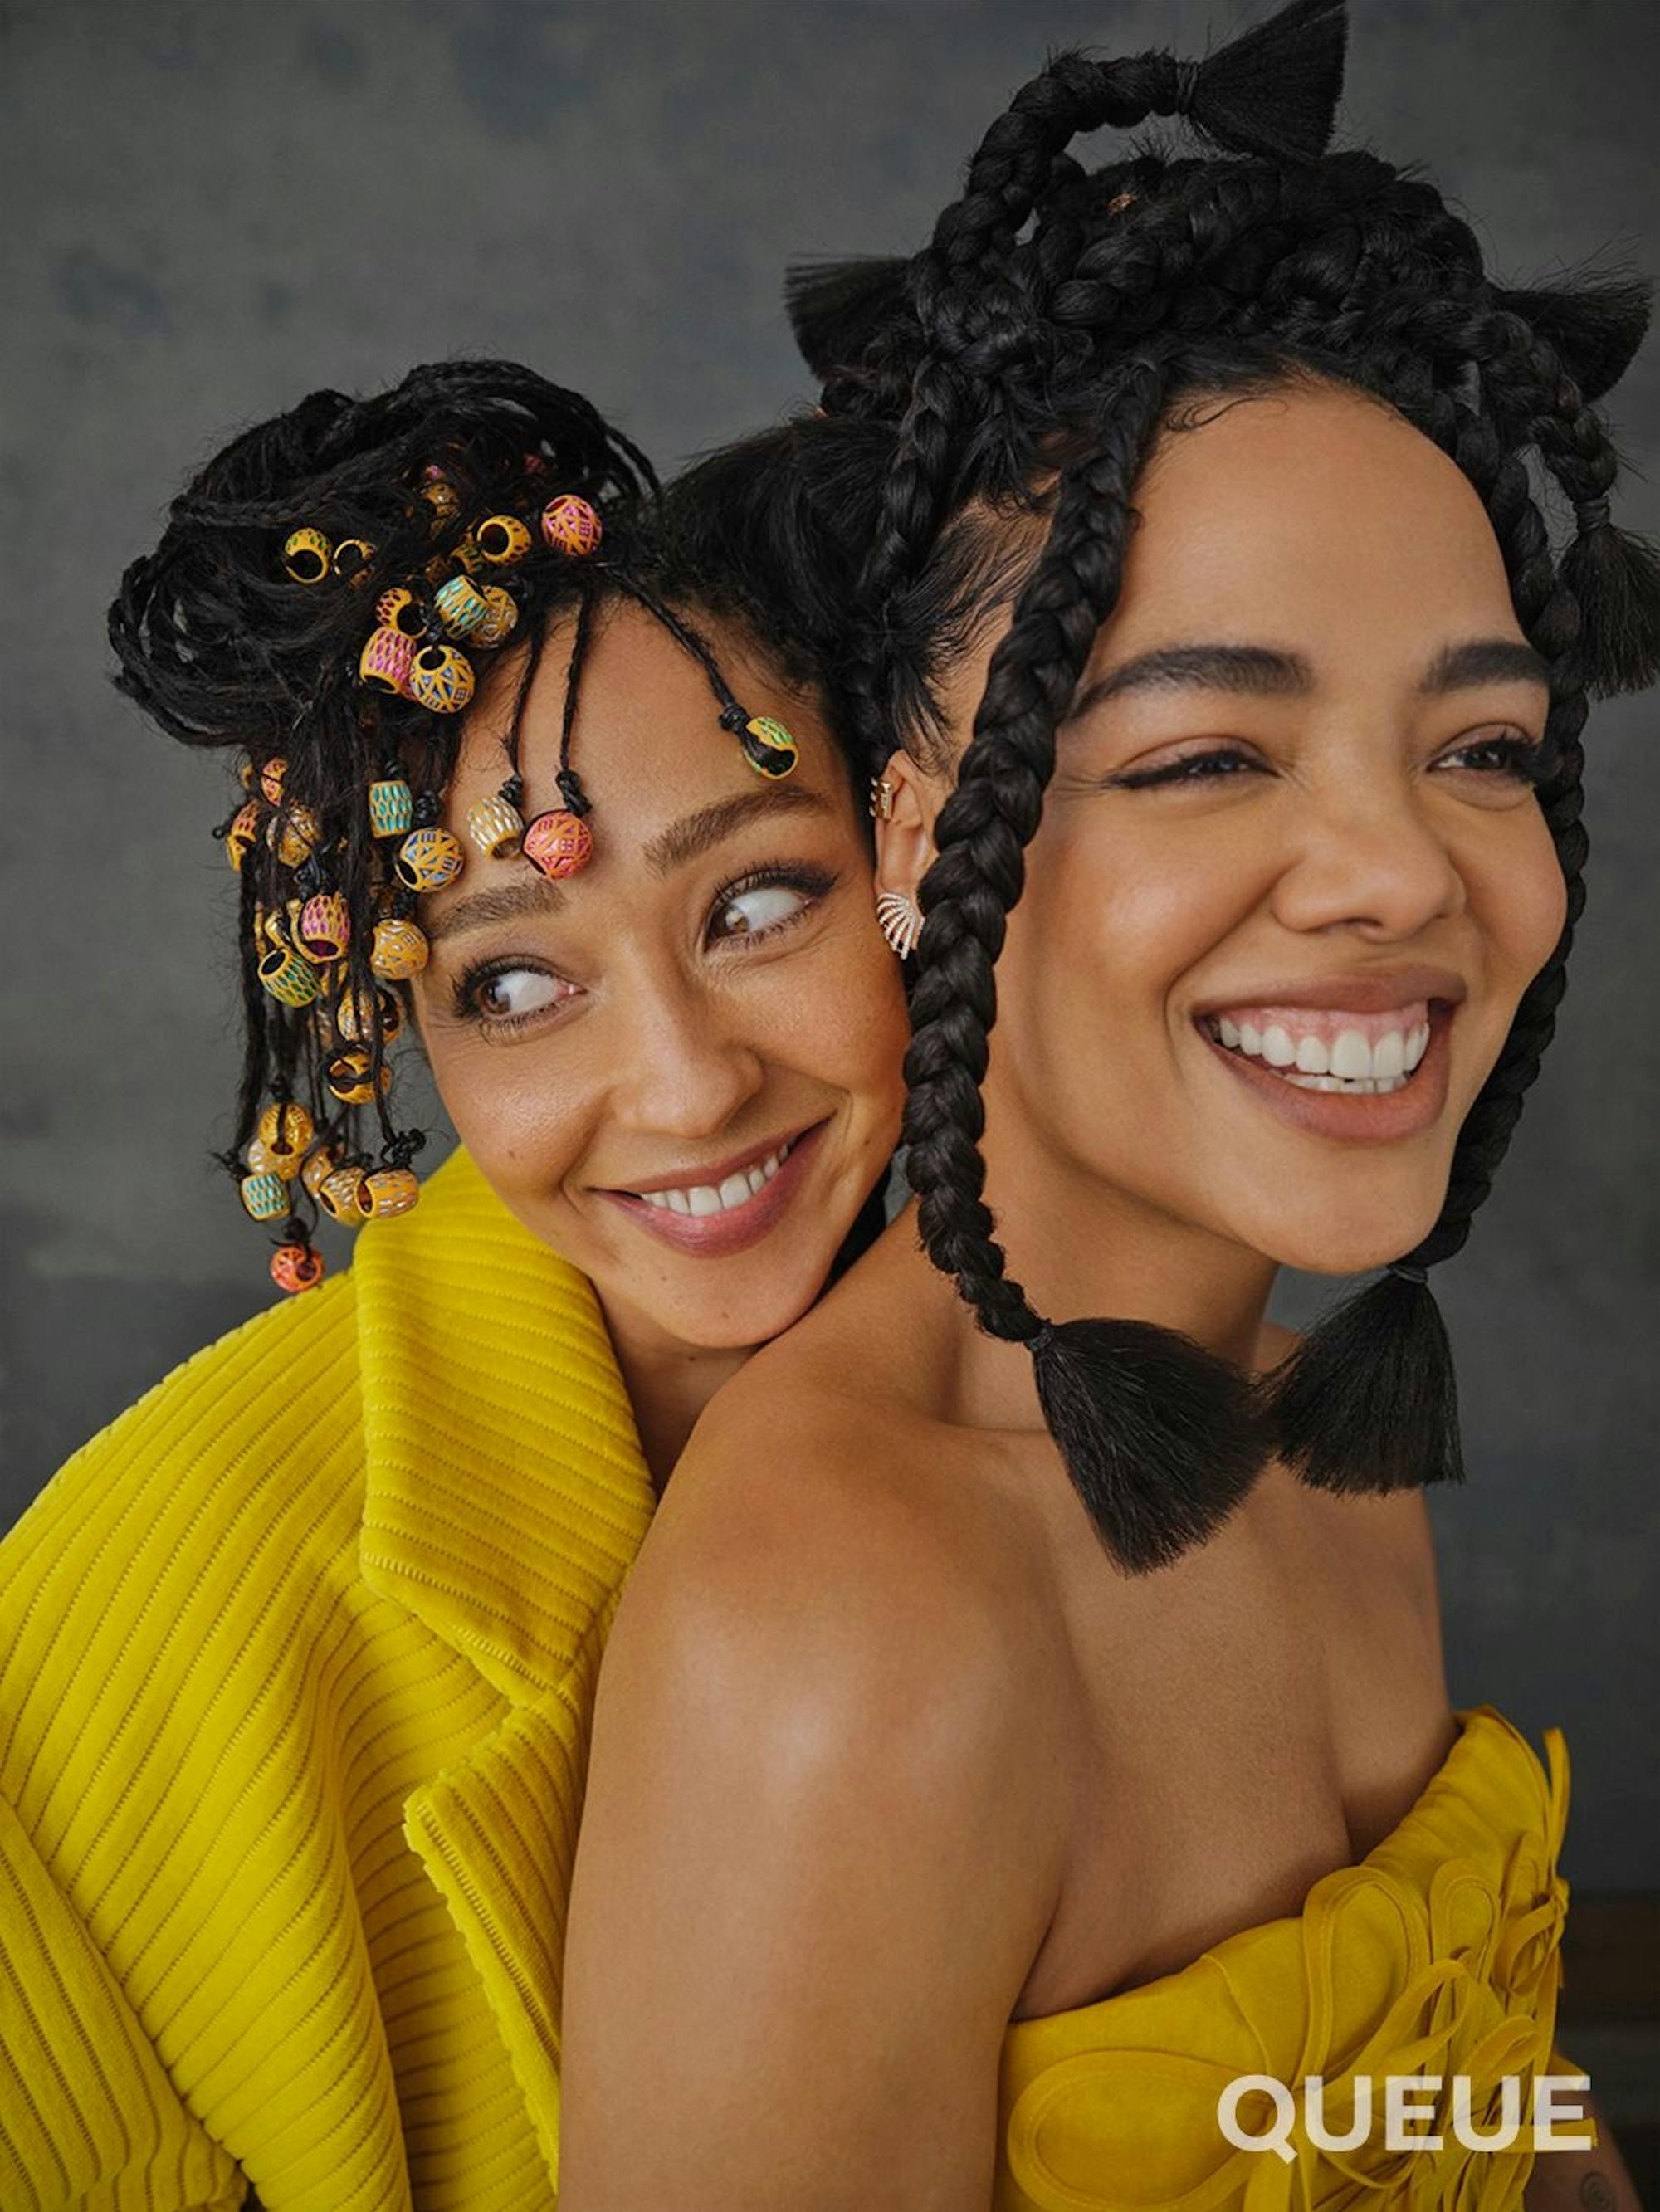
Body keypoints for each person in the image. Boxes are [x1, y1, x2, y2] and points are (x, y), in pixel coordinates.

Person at [554, 2, 1655, 2205]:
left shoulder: (1310, 1432)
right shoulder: (853, 1638)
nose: (1402, 872)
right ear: (890, 828)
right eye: (1203, 755)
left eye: (1483, 746)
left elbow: (1448, 2105)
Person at [0, 362, 908, 2207]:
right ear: (397, 1032)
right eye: (509, 983)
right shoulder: (172, 1584)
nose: (683, 1084)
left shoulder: (1124, 1394)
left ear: (911, 859)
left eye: (754, 905)